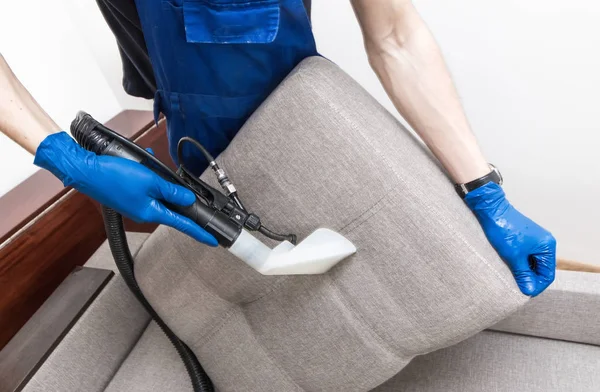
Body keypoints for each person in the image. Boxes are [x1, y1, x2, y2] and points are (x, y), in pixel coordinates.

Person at [0, 0, 555, 296]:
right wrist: (61, 155)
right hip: (202, 146)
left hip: (299, 131)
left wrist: (485, 193)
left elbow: (396, 37)